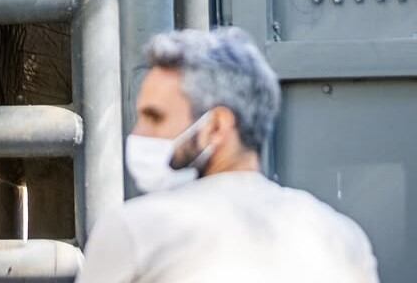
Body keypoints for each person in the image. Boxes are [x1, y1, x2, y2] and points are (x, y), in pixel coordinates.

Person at [76, 27, 378, 283]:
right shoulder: (343, 238)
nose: (139, 134)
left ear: (216, 127)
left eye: (155, 118)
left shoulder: (133, 231)